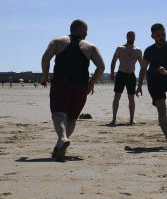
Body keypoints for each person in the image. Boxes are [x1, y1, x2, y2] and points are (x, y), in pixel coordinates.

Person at [40, 19, 105, 161]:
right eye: (86, 30)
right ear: (83, 31)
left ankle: (62, 139)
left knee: (58, 113)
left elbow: (45, 59)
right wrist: (91, 83)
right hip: (81, 85)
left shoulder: (58, 41)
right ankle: (59, 146)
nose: (87, 33)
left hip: (61, 82)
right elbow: (101, 67)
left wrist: (45, 77)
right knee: (72, 117)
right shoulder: (91, 47)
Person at [109, 31, 142, 125]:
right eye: (130, 36)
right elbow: (113, 61)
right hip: (121, 74)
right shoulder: (120, 48)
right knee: (117, 97)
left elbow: (142, 65)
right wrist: (112, 73)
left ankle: (132, 119)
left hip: (131, 75)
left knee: (131, 98)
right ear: (127, 37)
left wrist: (142, 77)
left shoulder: (138, 50)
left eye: (133, 37)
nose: (132, 38)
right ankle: (114, 119)